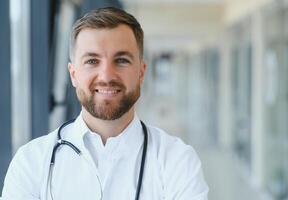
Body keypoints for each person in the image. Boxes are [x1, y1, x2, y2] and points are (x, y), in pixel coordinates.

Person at [1, 7, 209, 200]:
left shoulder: (178, 161)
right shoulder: (31, 163)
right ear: (73, 74)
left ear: (141, 72)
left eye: (121, 60)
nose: (107, 76)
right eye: (92, 61)